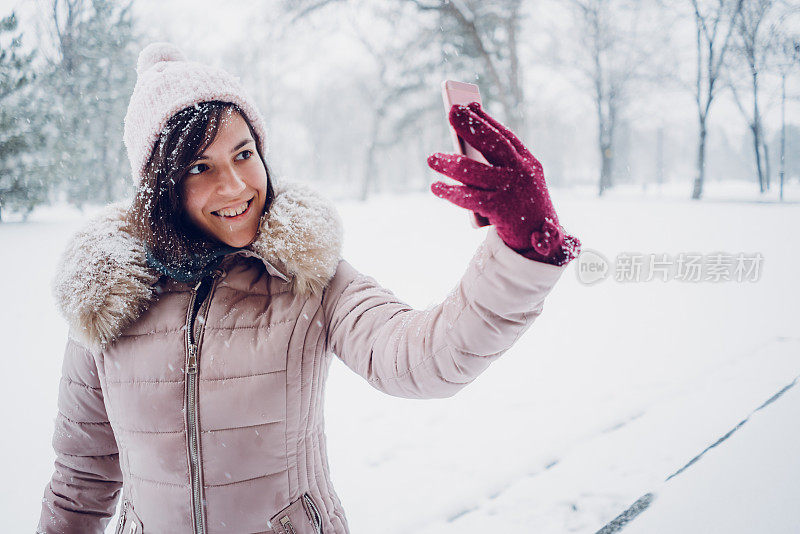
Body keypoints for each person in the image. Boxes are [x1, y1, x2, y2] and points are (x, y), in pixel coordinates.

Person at [37, 42, 581, 534]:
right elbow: (79, 483)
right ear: (159, 183)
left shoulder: (305, 275)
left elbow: (421, 357)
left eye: (244, 154)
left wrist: (521, 246)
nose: (235, 187)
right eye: (199, 167)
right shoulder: (108, 299)